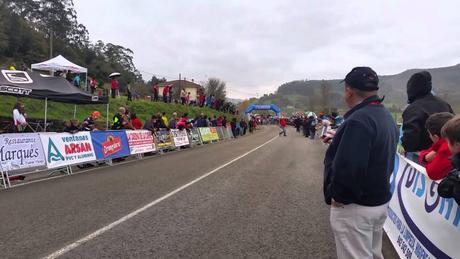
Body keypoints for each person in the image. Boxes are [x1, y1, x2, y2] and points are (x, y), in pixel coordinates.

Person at [323, 67, 398, 259]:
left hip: (356, 206)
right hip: (377, 201)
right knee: (373, 254)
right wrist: (340, 141)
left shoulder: (359, 119)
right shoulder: (384, 115)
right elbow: (372, 151)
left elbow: (350, 168)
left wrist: (339, 198)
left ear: (349, 90)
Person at [401, 71, 453, 160]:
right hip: (448, 155)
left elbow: (410, 140)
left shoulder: (413, 109)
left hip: (422, 157)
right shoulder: (444, 104)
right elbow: (455, 128)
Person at [419, 112, 454, 180]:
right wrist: (425, 157)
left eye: (429, 133)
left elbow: (433, 173)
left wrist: (428, 159)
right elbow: (428, 152)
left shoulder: (446, 148)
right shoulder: (441, 144)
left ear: (435, 136)